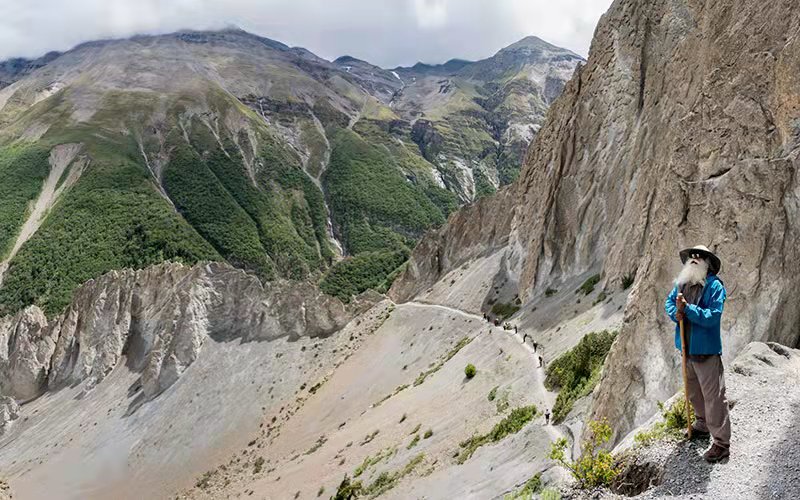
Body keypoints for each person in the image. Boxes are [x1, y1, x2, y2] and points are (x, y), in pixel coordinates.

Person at [665, 245, 730, 463]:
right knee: (693, 392)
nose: (694, 259)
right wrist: (677, 313)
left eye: (699, 257)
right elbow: (669, 303)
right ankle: (702, 424)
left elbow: (713, 315)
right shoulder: (682, 283)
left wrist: (688, 310)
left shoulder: (714, 287)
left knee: (714, 397)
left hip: (706, 351)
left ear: (707, 263)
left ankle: (721, 443)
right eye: (691, 256)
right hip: (686, 350)